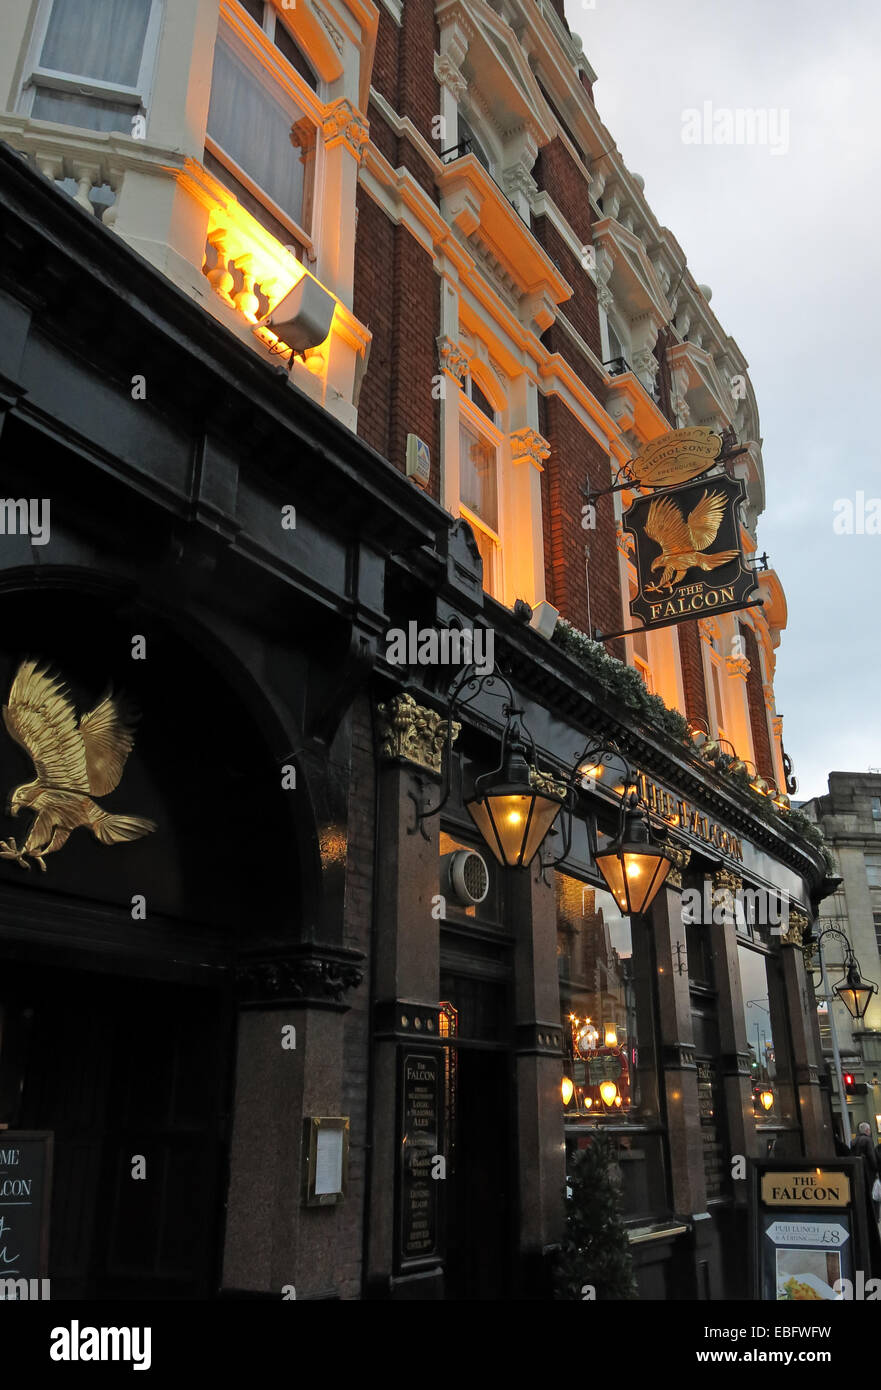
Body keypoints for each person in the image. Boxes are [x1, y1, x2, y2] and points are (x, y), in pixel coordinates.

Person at [851, 1122, 881, 1224]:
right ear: (867, 1130)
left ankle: (865, 1217)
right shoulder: (868, 1140)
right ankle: (875, 1217)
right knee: (874, 1194)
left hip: (859, 1171)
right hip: (868, 1171)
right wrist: (876, 1169)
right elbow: (872, 1157)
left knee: (863, 1194)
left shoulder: (853, 1141)